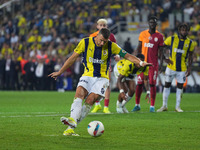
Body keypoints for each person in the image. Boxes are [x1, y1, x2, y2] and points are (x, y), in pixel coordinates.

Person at [48, 28, 152, 136]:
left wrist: (140, 62)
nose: (102, 43)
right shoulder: (85, 42)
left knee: (91, 99)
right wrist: (60, 71)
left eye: (105, 42)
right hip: (87, 75)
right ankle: (72, 121)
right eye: (101, 40)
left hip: (102, 78)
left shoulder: (112, 46)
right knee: (79, 93)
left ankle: (71, 126)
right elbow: (72, 58)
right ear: (97, 35)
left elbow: (128, 56)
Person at [132, 16, 172, 112]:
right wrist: (136, 60)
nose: (152, 24)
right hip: (142, 63)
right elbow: (138, 47)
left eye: (154, 22)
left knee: (152, 84)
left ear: (156, 24)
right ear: (148, 23)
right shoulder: (143, 34)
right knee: (140, 83)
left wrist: (161, 65)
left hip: (153, 65)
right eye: (150, 22)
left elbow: (161, 52)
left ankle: (152, 107)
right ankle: (137, 105)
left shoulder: (160, 36)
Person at [157, 23, 195, 112]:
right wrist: (165, 59)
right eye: (182, 30)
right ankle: (164, 106)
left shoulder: (190, 43)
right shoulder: (172, 39)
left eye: (185, 30)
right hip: (170, 67)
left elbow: (190, 56)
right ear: (179, 30)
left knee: (180, 87)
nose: (184, 31)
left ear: (188, 31)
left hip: (182, 69)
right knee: (167, 85)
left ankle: (177, 107)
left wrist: (189, 68)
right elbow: (161, 48)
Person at [90, 18, 117, 114]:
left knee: (107, 84)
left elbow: (115, 48)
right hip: (95, 63)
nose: (102, 27)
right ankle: (97, 105)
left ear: (107, 27)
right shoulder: (92, 36)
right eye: (100, 25)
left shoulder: (111, 36)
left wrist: (117, 55)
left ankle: (106, 107)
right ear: (97, 26)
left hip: (106, 63)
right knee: (94, 83)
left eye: (104, 25)